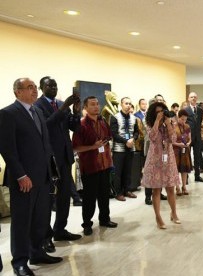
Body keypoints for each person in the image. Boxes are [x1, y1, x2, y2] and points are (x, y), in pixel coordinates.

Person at [0, 78, 63, 276]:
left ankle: (36, 252)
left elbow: (45, 145)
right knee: (22, 221)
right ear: (17, 92)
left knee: (40, 218)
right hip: (24, 180)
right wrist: (20, 175)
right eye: (30, 88)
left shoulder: (37, 111)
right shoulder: (8, 113)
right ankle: (19, 261)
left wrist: (51, 171)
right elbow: (7, 149)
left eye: (35, 87)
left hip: (42, 177)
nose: (35, 91)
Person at [35, 77, 82, 250]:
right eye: (49, 85)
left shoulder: (62, 103)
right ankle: (45, 236)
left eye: (55, 85)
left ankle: (60, 229)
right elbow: (46, 126)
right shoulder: (38, 105)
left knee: (63, 197)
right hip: (49, 158)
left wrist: (76, 112)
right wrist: (63, 108)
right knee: (49, 199)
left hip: (65, 156)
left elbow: (74, 128)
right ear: (41, 88)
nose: (53, 87)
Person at [72, 96, 118, 236]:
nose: (96, 107)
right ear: (85, 108)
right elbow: (76, 148)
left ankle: (105, 219)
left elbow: (108, 137)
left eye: (97, 104)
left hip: (105, 165)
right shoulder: (81, 125)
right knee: (89, 199)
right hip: (90, 167)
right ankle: (87, 224)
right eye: (92, 104)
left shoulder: (103, 122)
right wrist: (93, 146)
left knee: (105, 196)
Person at [141, 101, 181, 229]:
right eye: (157, 112)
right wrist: (157, 121)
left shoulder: (170, 122)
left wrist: (168, 123)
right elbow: (152, 137)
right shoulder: (149, 123)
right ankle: (158, 217)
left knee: (171, 187)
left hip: (168, 158)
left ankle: (173, 213)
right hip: (155, 160)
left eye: (162, 111)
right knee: (156, 189)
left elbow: (173, 139)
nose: (160, 114)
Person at [110, 97, 140, 201]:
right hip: (119, 149)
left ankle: (127, 190)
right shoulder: (115, 117)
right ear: (121, 104)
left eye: (130, 104)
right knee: (118, 172)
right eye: (126, 103)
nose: (128, 106)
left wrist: (133, 139)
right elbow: (113, 134)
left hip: (131, 148)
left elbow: (136, 132)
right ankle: (118, 193)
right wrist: (125, 141)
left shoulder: (133, 118)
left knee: (128, 171)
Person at [185, 92, 203, 182]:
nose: (193, 98)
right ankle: (185, 177)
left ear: (196, 98)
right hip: (188, 137)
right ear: (188, 99)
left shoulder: (200, 110)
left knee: (197, 157)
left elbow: (199, 123)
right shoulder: (185, 110)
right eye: (191, 97)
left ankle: (197, 176)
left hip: (197, 137)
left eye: (195, 97)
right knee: (186, 157)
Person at [172, 109, 192, 195]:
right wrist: (178, 144)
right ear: (178, 117)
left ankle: (184, 186)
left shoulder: (187, 127)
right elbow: (171, 141)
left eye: (185, 119)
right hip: (176, 150)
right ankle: (177, 187)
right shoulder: (173, 126)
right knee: (175, 169)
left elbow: (189, 138)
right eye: (182, 119)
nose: (184, 121)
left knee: (184, 170)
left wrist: (188, 143)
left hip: (185, 150)